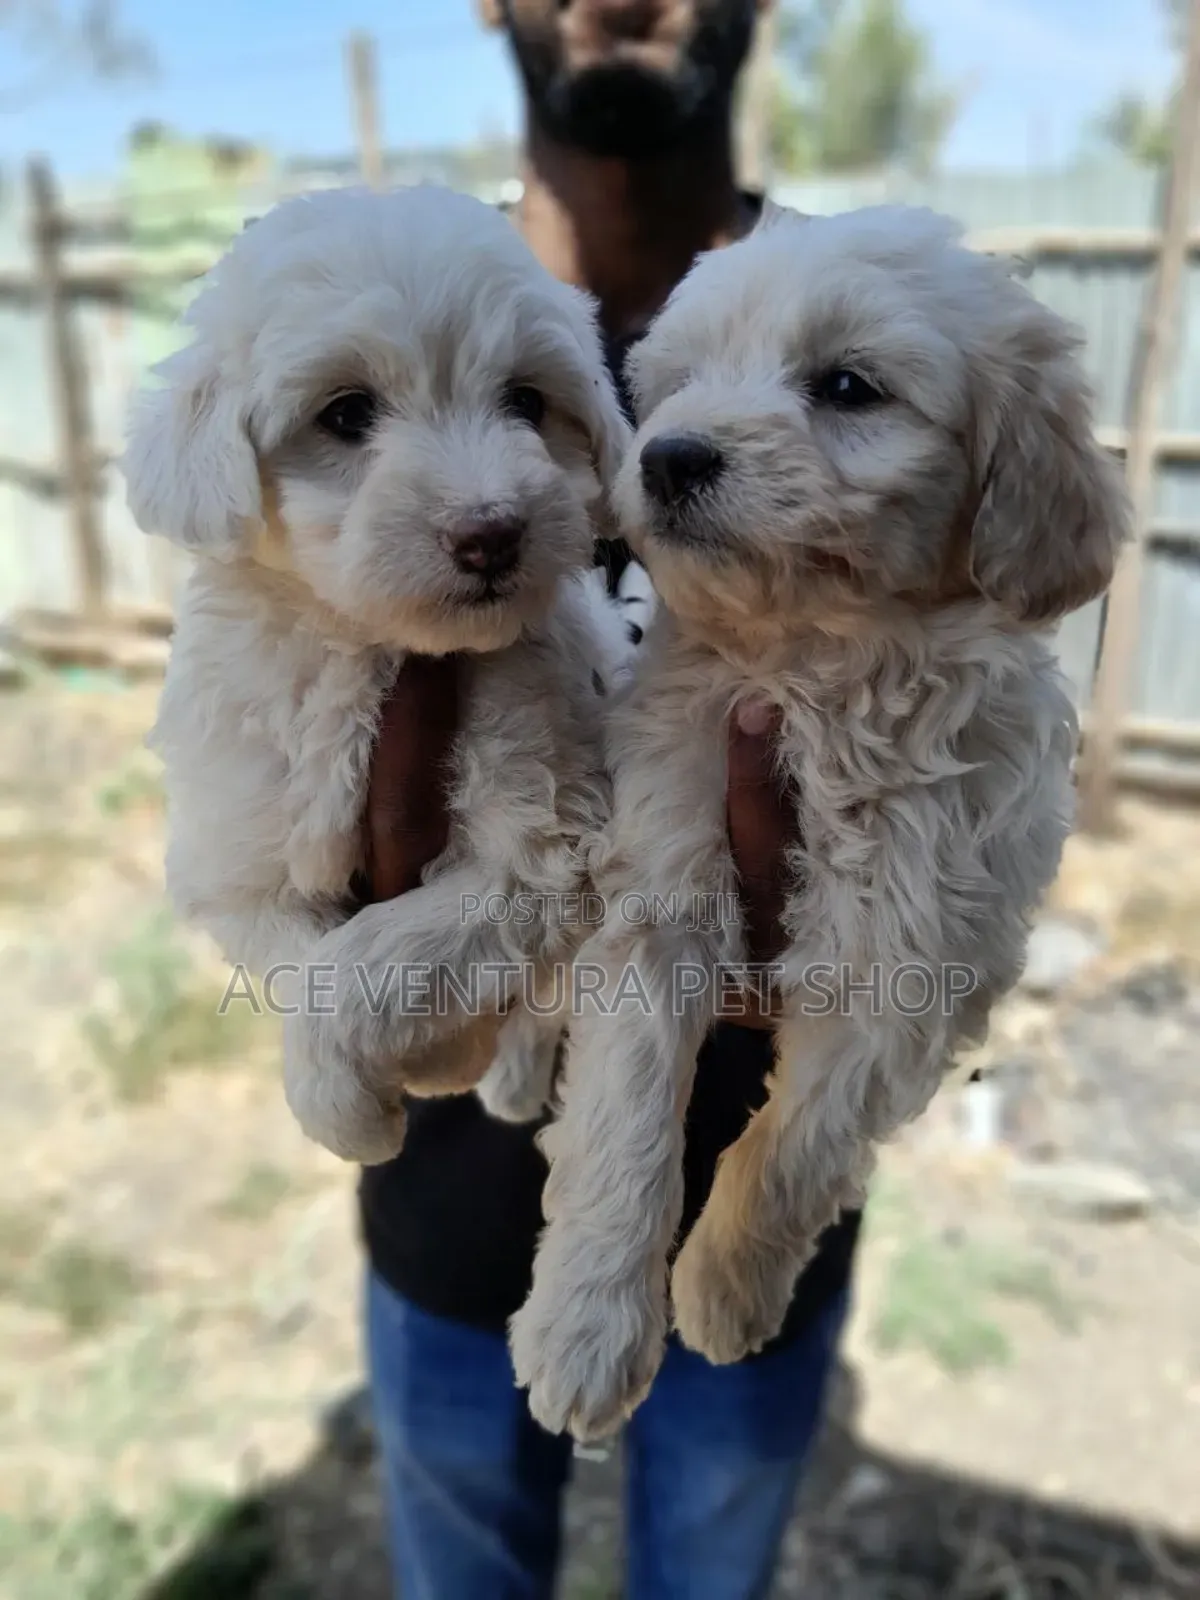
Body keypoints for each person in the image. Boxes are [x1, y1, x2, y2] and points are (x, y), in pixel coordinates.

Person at [359, 4, 861, 1596]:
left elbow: (992, 744)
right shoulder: (383, 316)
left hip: (752, 1194)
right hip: (440, 1205)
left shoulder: (878, 331)